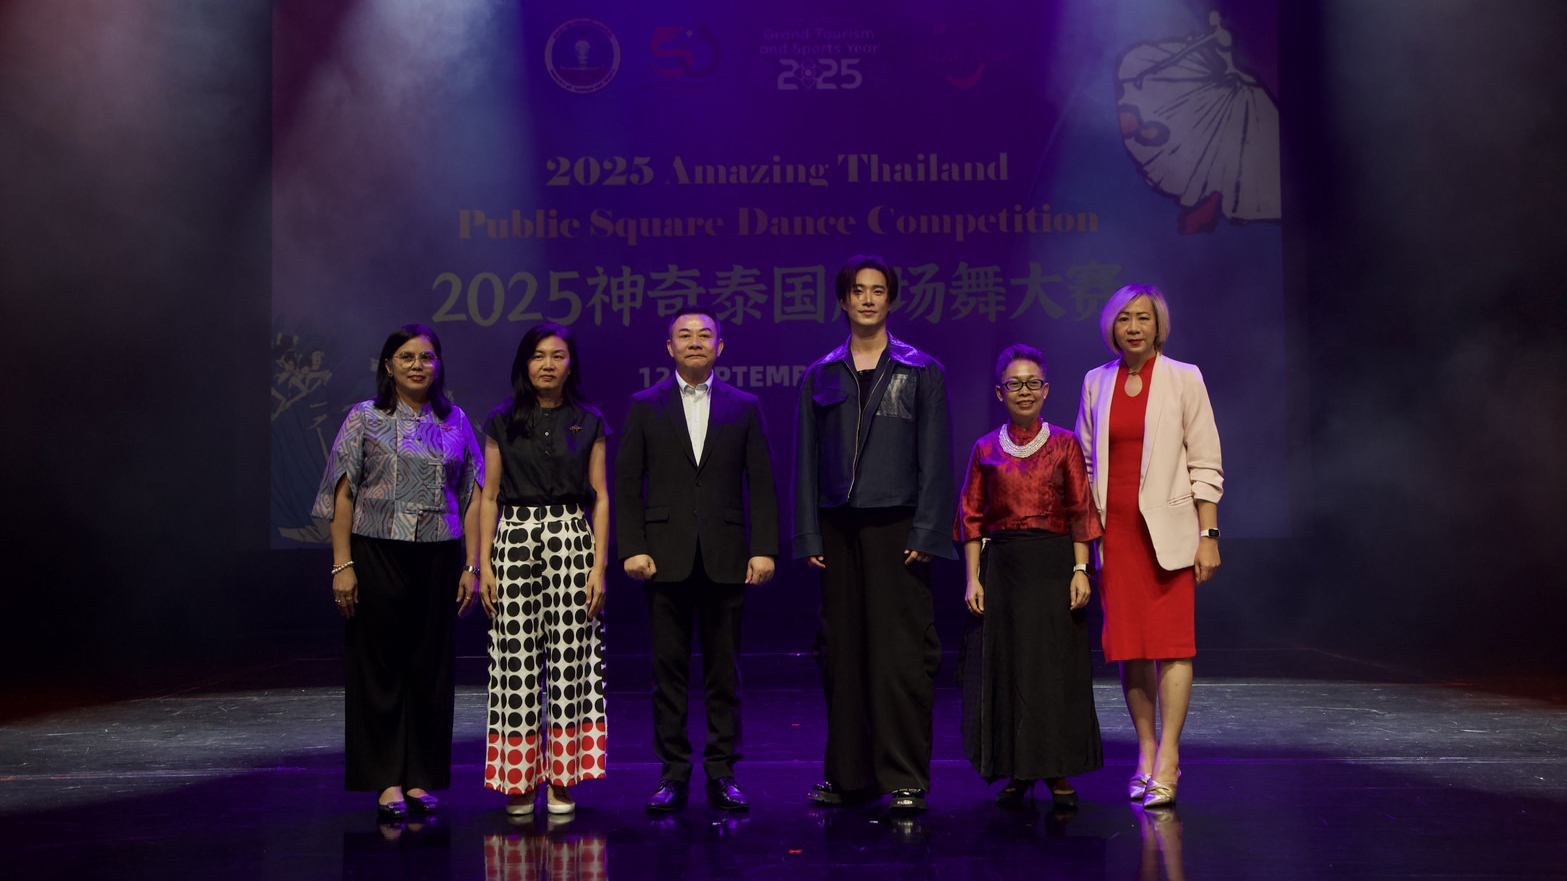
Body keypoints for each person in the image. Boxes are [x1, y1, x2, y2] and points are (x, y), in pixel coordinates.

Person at [793, 254, 956, 813]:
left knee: (900, 657)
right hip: (838, 529)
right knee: (840, 653)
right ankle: (848, 776)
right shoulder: (821, 373)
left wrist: (929, 529)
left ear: (891, 300)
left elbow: (936, 460)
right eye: (857, 290)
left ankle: (905, 777)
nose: (867, 299)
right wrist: (809, 535)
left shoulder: (921, 370)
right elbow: (806, 461)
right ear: (843, 300)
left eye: (877, 290)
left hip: (898, 527)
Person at [312, 323, 483, 819]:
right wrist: (342, 564)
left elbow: (473, 497)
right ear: (388, 365)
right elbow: (342, 493)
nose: (417, 365)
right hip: (375, 552)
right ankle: (385, 780)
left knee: (430, 669)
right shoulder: (364, 418)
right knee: (379, 667)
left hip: (438, 555)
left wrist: (472, 566)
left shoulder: (455, 421)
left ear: (438, 364)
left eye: (426, 357)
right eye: (406, 356)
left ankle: (421, 779)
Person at [615, 307, 780, 813]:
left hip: (727, 555)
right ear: (669, 348)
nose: (693, 342)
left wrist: (764, 548)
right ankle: (673, 773)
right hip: (663, 559)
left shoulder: (744, 405)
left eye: (704, 335)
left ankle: (723, 771)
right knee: (667, 672)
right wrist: (633, 546)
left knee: (723, 673)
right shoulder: (645, 405)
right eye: (683, 336)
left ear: (720, 347)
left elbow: (763, 483)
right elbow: (626, 481)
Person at [1076, 284, 1223, 808]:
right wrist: (1085, 538)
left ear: (1159, 325)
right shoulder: (1096, 382)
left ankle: (1169, 760)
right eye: (1123, 319)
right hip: (1113, 534)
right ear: (1111, 327)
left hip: (1169, 533)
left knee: (1173, 645)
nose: (1133, 327)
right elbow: (1086, 464)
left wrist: (1209, 535)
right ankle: (1145, 751)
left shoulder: (1185, 378)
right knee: (1130, 648)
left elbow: (1205, 461)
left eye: (1143, 318)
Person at [956, 344, 1104, 809]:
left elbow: (1081, 511)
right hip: (1004, 571)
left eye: (1033, 383)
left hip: (1054, 566)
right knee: (1009, 670)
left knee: (1052, 671)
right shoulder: (984, 448)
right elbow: (971, 519)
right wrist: (973, 579)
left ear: (1047, 389)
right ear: (1000, 392)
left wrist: (1082, 569)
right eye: (1015, 384)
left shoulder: (1064, 444)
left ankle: (1056, 768)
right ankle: (1017, 771)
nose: (1025, 392)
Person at [476, 322, 610, 817]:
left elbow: (601, 497)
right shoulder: (501, 419)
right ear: (524, 364)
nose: (548, 364)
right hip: (513, 536)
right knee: (515, 659)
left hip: (572, 537)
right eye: (538, 356)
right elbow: (488, 496)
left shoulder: (589, 418)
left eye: (557, 355)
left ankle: (563, 780)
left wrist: (599, 565)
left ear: (570, 363)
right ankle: (519, 780)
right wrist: (483, 563)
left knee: (572, 657)